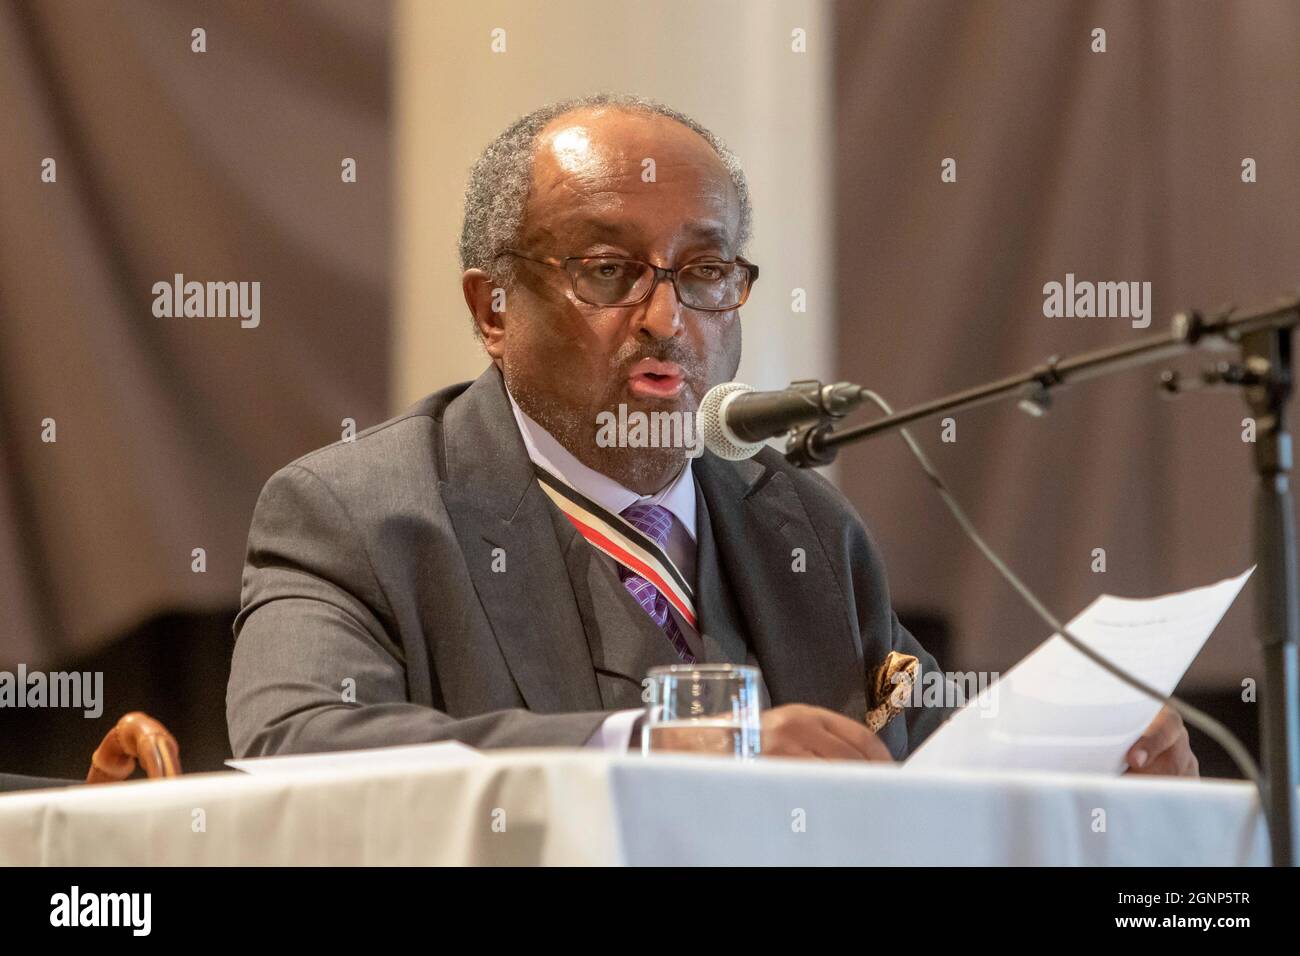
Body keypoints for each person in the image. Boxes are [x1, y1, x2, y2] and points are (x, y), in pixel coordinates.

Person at [227, 93, 1196, 775]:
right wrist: (648, 747)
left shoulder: (803, 530)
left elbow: (932, 766)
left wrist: (1091, 763)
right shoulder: (355, 516)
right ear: (493, 307)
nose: (666, 317)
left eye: (704, 272)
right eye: (610, 270)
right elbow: (296, 741)